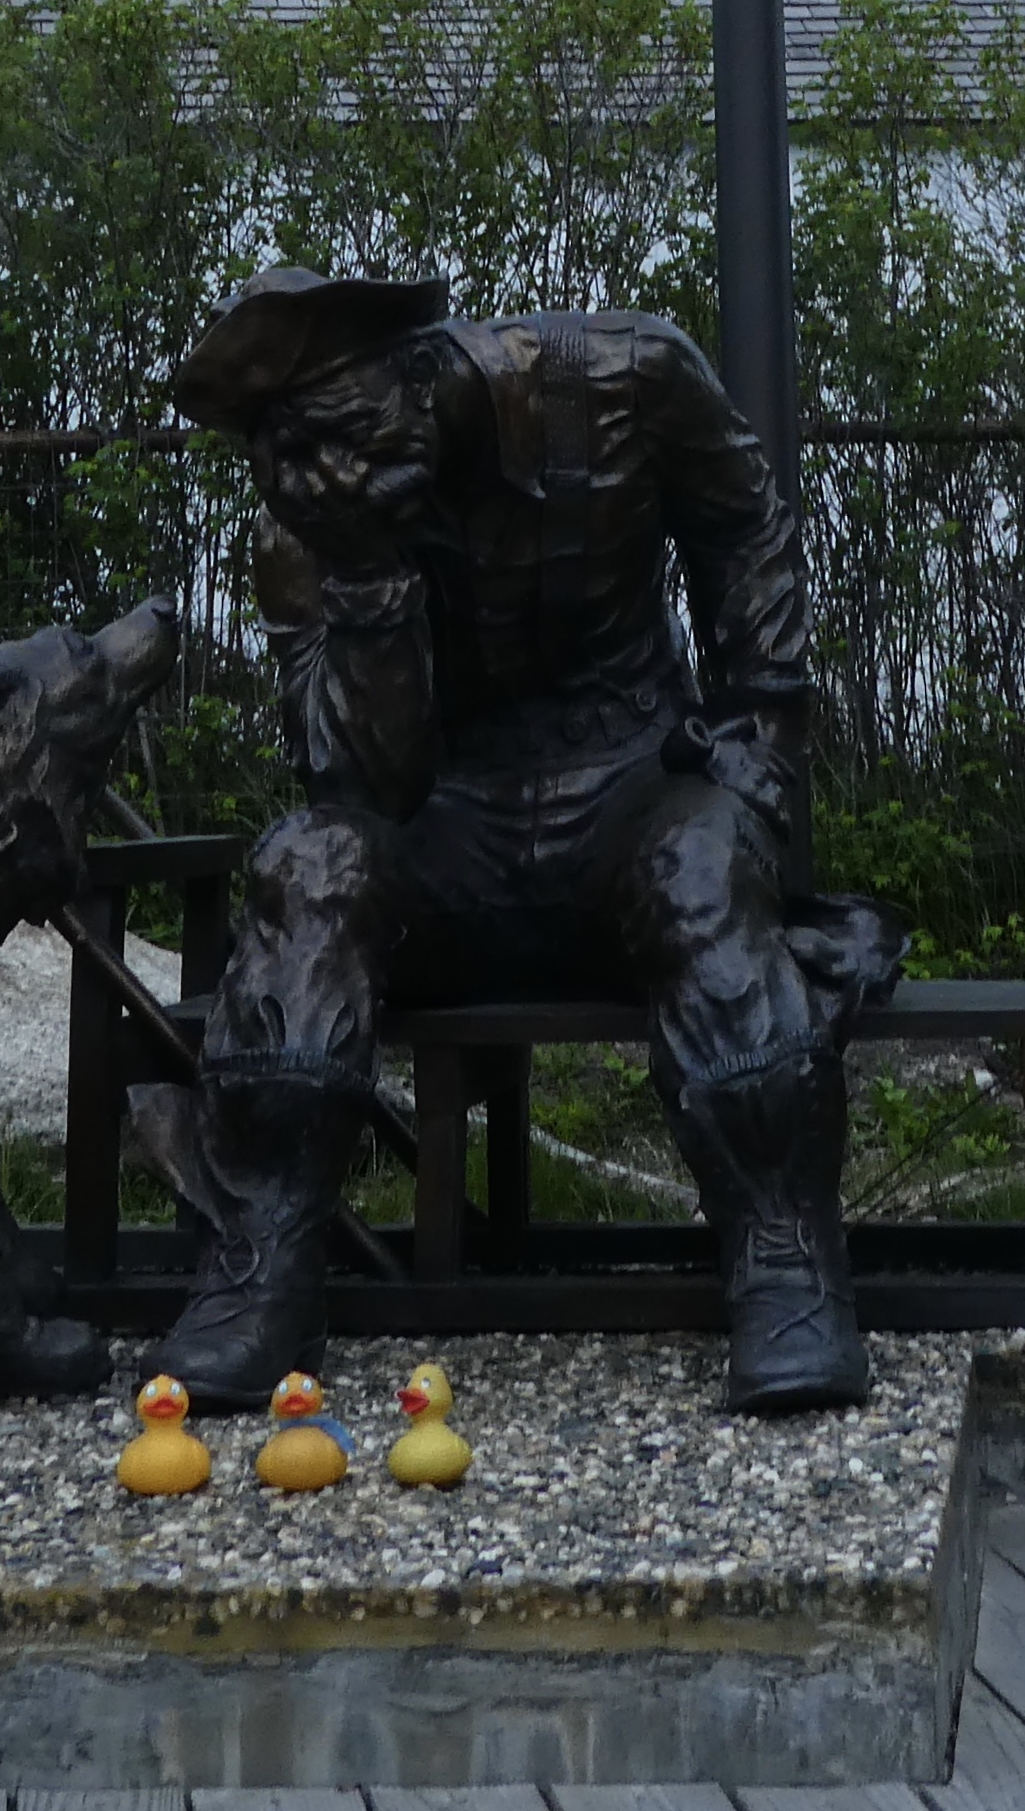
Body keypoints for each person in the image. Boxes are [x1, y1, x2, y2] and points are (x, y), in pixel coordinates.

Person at [150, 270, 893, 1413]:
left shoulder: (630, 375)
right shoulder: (310, 529)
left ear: (419, 368)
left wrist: (758, 748)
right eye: (296, 453)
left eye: (346, 433)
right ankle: (260, 1268)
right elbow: (363, 783)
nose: (332, 473)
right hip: (443, 834)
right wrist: (366, 575)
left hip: (635, 800)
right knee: (307, 861)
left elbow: (746, 526)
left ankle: (788, 1262)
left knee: (701, 867)